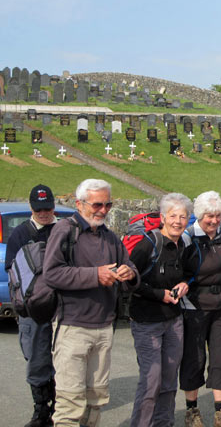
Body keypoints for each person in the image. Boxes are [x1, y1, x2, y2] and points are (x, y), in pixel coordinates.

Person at [43, 179, 140, 427]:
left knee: (96, 399)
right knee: (70, 401)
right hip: (73, 327)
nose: (104, 210)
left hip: (104, 327)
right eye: (98, 204)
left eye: (108, 204)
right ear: (79, 204)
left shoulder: (109, 236)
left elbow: (128, 266)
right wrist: (95, 275)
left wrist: (130, 273)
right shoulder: (64, 230)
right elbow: (51, 274)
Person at [179, 191, 221, 427]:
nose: (215, 221)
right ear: (199, 215)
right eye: (209, 216)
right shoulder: (187, 237)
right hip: (194, 307)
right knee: (194, 359)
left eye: (218, 216)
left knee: (220, 357)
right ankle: (192, 411)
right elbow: (179, 272)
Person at [128, 193, 192, 427]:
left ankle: (164, 423)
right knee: (151, 381)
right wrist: (159, 294)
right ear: (163, 218)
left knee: (168, 381)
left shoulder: (182, 244)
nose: (178, 221)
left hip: (173, 320)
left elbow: (185, 274)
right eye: (173, 216)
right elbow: (129, 282)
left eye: (183, 216)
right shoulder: (148, 244)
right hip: (147, 322)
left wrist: (184, 285)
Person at [5, 185, 58, 427]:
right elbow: (12, 272)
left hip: (61, 308)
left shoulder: (63, 230)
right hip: (31, 310)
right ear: (31, 208)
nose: (44, 213)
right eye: (39, 210)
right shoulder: (20, 234)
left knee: (61, 360)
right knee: (36, 359)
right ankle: (40, 410)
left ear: (54, 206)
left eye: (47, 208)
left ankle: (60, 408)